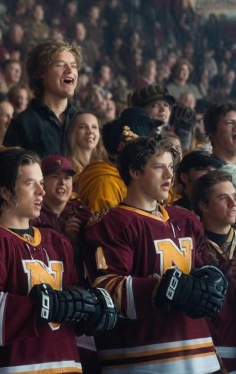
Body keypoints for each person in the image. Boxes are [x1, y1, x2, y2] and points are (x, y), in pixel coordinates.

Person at [0, 148, 117, 373]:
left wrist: (92, 310)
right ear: (5, 191)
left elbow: (74, 305)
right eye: (30, 183)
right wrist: (46, 306)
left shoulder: (58, 242)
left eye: (41, 182)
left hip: (69, 366)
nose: (42, 191)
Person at [83, 135, 226, 373]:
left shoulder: (186, 219)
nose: (169, 175)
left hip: (201, 355)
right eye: (159, 167)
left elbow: (203, 268)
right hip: (142, 358)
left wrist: (212, 279)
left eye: (171, 167)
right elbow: (105, 288)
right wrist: (161, 289)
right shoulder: (111, 223)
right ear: (135, 172)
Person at [193, 170, 236, 372]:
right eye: (223, 198)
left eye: (234, 197)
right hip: (203, 356)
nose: (233, 203)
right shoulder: (189, 246)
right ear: (203, 205)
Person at [4, 40, 81, 157]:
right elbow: (7, 172)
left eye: (74, 66)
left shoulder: (83, 121)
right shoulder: (22, 124)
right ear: (42, 74)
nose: (70, 70)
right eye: (60, 65)